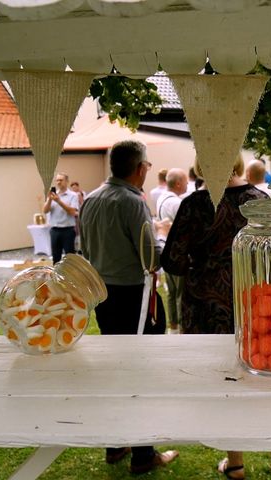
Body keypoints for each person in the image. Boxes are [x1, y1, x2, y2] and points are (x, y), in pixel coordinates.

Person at [161, 155, 271, 479]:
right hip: (256, 300)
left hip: (205, 306)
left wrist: (203, 268)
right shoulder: (259, 200)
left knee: (221, 380)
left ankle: (236, 463)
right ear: (238, 163)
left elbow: (171, 260)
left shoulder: (194, 205)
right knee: (264, 375)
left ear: (201, 166)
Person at [79, 140, 178, 475]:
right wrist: (163, 238)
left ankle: (116, 442)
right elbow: (150, 258)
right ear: (140, 168)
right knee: (140, 372)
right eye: (147, 165)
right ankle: (143, 453)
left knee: (115, 370)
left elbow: (86, 247)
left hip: (103, 296)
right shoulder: (132, 201)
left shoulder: (90, 199)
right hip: (134, 297)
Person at [156, 168, 188, 334]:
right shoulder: (176, 203)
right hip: (177, 252)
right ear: (178, 183)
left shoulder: (162, 197)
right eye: (185, 181)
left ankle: (173, 326)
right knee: (179, 294)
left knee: (171, 292)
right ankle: (180, 327)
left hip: (167, 251)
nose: (187, 184)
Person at [42, 172, 80, 264]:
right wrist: (49, 200)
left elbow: (72, 212)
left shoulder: (73, 195)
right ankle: (57, 277)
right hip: (54, 230)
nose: (58, 182)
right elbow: (45, 211)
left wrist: (59, 201)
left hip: (68, 230)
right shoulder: (53, 195)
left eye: (61, 180)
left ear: (67, 181)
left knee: (70, 258)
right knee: (56, 258)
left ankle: (70, 277)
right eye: (57, 180)